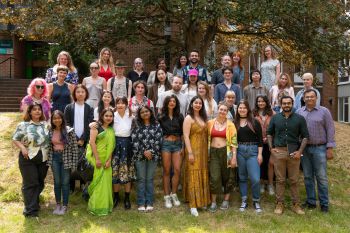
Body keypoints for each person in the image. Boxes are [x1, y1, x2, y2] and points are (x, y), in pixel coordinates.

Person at [267, 96, 309, 215]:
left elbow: (305, 136)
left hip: (294, 152)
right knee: (280, 180)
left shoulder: (300, 119)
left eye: (288, 103)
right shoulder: (275, 118)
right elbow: (269, 134)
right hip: (279, 152)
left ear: (292, 104)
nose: (286, 105)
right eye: (284, 103)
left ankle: (296, 204)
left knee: (294, 180)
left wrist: (300, 151)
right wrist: (271, 148)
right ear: (281, 104)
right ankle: (279, 203)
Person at [296, 89, 336, 213]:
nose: (309, 99)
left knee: (321, 177)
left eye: (312, 96)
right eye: (307, 97)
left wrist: (329, 148)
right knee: (308, 176)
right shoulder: (299, 112)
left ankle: (324, 204)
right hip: (304, 148)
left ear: (316, 98)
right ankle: (311, 201)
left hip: (320, 148)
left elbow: (330, 129)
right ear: (303, 98)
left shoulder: (324, 111)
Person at [12, 103, 50, 217]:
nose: (37, 111)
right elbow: (15, 138)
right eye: (34, 110)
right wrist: (23, 147)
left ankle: (34, 203)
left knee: (39, 182)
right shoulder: (23, 125)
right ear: (30, 112)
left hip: (43, 158)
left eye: (39, 109)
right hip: (27, 158)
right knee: (30, 183)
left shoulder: (46, 125)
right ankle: (30, 211)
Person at [183, 96, 210, 217]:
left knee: (202, 172)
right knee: (194, 173)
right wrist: (189, 152)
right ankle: (193, 204)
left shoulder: (203, 118)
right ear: (192, 104)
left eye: (200, 103)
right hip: (193, 149)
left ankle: (202, 200)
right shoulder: (188, 118)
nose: (198, 105)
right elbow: (185, 136)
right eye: (196, 103)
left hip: (203, 150)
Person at [207, 102, 238, 212]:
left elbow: (234, 142)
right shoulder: (210, 123)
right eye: (221, 109)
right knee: (214, 177)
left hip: (227, 152)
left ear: (227, 112)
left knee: (228, 176)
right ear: (217, 110)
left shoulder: (231, 124)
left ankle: (226, 200)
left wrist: (234, 157)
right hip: (213, 153)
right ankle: (213, 202)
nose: (222, 112)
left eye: (225, 110)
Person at [131, 106, 163, 212]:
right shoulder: (136, 125)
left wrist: (151, 152)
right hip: (139, 156)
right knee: (141, 179)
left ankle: (149, 202)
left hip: (153, 156)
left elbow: (159, 140)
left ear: (150, 112)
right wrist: (143, 151)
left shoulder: (156, 125)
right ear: (139, 114)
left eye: (147, 111)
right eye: (142, 112)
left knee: (149, 179)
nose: (145, 113)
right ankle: (141, 202)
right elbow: (134, 139)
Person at [47, 110, 79, 215]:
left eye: (59, 118)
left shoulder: (69, 131)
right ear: (52, 120)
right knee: (57, 182)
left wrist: (74, 164)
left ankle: (65, 205)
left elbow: (75, 148)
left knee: (65, 183)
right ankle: (58, 204)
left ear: (62, 119)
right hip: (55, 158)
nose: (57, 120)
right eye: (54, 118)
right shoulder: (50, 130)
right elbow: (48, 146)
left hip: (66, 158)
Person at [64, 84, 94, 192]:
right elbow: (66, 122)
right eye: (78, 92)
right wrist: (75, 138)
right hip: (71, 139)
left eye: (82, 92)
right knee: (72, 162)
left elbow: (90, 124)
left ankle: (81, 183)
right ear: (74, 94)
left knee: (82, 162)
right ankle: (71, 185)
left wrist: (82, 138)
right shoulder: (69, 107)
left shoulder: (89, 108)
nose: (80, 94)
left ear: (85, 94)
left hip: (84, 140)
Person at [86, 108, 116, 216]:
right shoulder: (96, 127)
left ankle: (106, 206)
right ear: (102, 116)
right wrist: (97, 159)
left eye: (110, 116)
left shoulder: (111, 130)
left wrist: (109, 160)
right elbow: (92, 143)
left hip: (107, 160)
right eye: (106, 115)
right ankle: (96, 206)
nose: (108, 118)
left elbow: (111, 147)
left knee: (106, 183)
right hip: (97, 158)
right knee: (98, 183)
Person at [235, 100, 263, 213]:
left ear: (248, 109)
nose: (242, 109)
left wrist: (260, 154)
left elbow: (260, 140)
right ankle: (244, 200)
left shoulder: (255, 122)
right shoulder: (234, 122)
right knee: (242, 177)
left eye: (244, 108)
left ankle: (256, 200)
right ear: (237, 110)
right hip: (239, 151)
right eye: (240, 108)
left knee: (255, 179)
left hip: (253, 151)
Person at [158, 95, 184, 209]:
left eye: (174, 101)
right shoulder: (161, 116)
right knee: (167, 171)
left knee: (177, 170)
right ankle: (166, 196)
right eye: (170, 101)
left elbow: (183, 133)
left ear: (176, 103)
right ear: (166, 103)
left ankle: (174, 194)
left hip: (177, 144)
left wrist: (183, 146)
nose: (172, 103)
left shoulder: (180, 116)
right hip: (166, 144)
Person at [111, 97, 135, 210]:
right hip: (115, 144)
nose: (120, 105)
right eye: (118, 103)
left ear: (126, 104)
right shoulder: (112, 116)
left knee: (127, 170)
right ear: (116, 104)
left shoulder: (131, 116)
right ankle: (116, 197)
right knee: (115, 171)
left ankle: (127, 198)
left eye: (122, 103)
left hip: (127, 144)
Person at [252, 95, 275, 195]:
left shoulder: (272, 113)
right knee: (259, 163)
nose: (260, 103)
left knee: (270, 164)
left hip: (270, 142)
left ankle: (270, 184)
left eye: (262, 101)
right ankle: (261, 183)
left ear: (266, 102)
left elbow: (275, 128)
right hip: (258, 143)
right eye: (259, 101)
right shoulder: (253, 114)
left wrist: (269, 138)